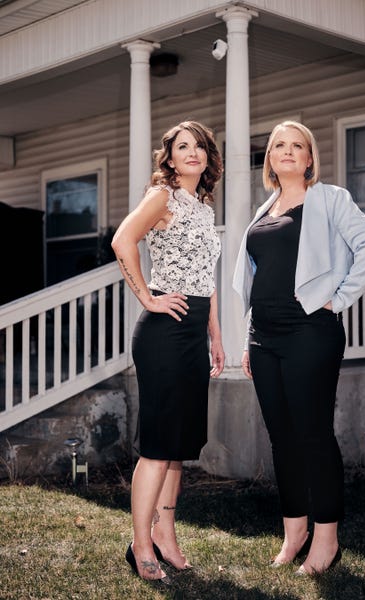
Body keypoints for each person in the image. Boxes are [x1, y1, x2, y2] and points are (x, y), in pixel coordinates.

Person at [233, 121, 365, 576]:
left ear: (308, 159)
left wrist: (338, 298)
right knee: (282, 440)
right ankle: (294, 533)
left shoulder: (329, 199)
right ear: (270, 160)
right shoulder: (264, 210)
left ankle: (327, 539)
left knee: (313, 436)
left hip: (309, 334)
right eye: (278, 144)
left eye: (296, 145)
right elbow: (259, 278)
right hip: (264, 337)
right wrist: (248, 339)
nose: (287, 151)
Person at [112, 120, 225, 583]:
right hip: (163, 333)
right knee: (159, 447)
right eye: (183, 146)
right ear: (171, 157)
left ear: (208, 156)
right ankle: (140, 545)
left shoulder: (202, 205)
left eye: (200, 145)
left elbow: (206, 278)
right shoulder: (164, 197)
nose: (193, 152)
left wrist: (216, 334)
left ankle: (166, 536)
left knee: (178, 448)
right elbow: (122, 240)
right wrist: (148, 297)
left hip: (195, 333)